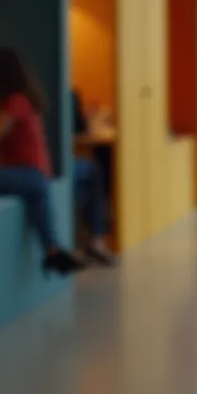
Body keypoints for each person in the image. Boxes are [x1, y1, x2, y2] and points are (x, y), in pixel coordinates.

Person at [0, 48, 83, 275]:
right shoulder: (15, 100)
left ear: (0, 72)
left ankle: (54, 251)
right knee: (39, 200)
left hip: (26, 173)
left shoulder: (15, 102)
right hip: (35, 176)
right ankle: (52, 251)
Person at [71, 89, 114, 265]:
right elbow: (81, 128)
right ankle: (95, 239)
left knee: (87, 180)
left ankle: (85, 242)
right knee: (94, 173)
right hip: (56, 165)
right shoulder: (69, 95)